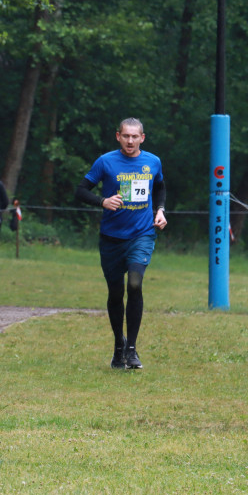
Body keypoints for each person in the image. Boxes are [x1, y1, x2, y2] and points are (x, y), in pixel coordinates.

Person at [75, 118, 167, 370]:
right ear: (118, 136)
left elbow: (159, 187)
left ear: (142, 138)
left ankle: (132, 349)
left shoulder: (152, 161)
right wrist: (102, 201)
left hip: (142, 234)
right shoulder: (105, 162)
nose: (130, 141)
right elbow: (80, 190)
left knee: (135, 284)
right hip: (112, 239)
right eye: (125, 136)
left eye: (134, 137)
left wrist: (160, 210)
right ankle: (119, 346)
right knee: (116, 293)